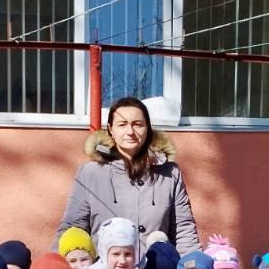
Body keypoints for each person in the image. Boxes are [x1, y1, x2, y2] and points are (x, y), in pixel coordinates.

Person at [58, 97, 199, 253]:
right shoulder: (90, 174)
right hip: (104, 268)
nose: (130, 132)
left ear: (147, 128)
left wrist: (194, 264)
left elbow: (184, 230)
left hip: (155, 268)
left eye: (137, 124)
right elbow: (73, 229)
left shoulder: (169, 173)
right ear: (111, 129)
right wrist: (56, 265)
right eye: (122, 124)